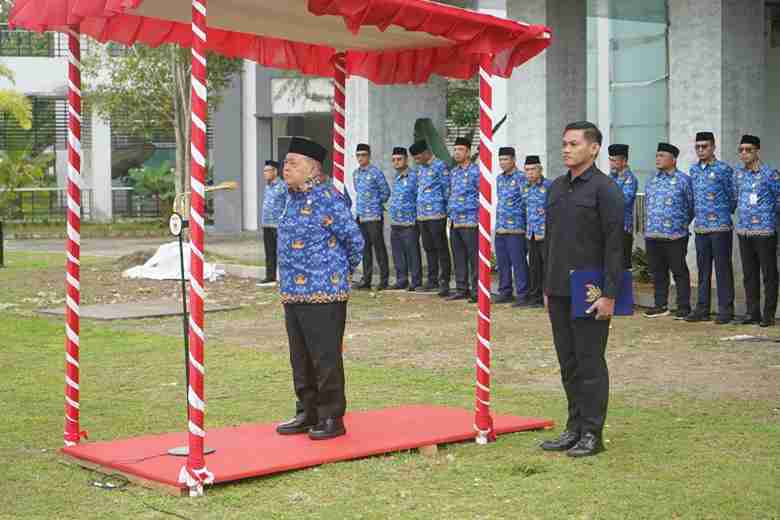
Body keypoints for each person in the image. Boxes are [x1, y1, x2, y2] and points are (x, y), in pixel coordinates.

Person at [540, 120, 624, 458]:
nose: (566, 149)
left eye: (574, 144)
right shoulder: (557, 188)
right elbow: (550, 241)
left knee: (590, 363)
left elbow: (616, 245)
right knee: (569, 363)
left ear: (594, 148)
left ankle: (592, 433)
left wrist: (610, 294)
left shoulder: (605, 189)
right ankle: (573, 427)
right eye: (564, 143)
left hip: (590, 288)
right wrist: (546, 287)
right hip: (559, 286)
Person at [275, 137, 364, 440]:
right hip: (292, 291)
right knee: (300, 356)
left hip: (325, 291)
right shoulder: (289, 198)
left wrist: (338, 272)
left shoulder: (329, 198)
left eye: (293, 163)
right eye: (285, 162)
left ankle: (331, 417)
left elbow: (355, 241)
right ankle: (307, 411)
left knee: (324, 357)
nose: (286, 168)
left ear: (312, 168)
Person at [686, 132, 737, 324]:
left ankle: (726, 310)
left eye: (704, 146)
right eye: (697, 147)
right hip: (701, 228)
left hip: (720, 227)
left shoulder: (724, 169)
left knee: (723, 270)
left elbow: (732, 196)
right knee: (703, 270)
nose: (701, 150)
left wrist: (722, 212)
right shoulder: (694, 170)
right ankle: (702, 308)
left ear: (713, 147)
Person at [642, 143, 694, 319]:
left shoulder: (683, 180)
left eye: (662, 155)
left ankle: (683, 307)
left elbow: (691, 206)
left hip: (675, 235)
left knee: (679, 271)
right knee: (658, 272)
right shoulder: (652, 180)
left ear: (673, 159)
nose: (658, 159)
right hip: (653, 234)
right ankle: (660, 305)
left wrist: (680, 224)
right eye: (657, 155)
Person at [734, 135, 780, 327]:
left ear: (757, 151)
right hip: (745, 231)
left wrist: (770, 220)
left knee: (769, 274)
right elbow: (735, 198)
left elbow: (778, 199)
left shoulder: (770, 174)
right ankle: (752, 312)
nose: (744, 153)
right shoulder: (738, 175)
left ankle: (768, 314)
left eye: (748, 150)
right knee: (749, 274)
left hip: (765, 231)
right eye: (741, 150)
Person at [410, 139, 452, 296]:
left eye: (418, 157)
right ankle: (432, 280)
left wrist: (447, 210)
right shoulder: (420, 169)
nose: (417, 161)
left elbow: (447, 189)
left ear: (427, 153)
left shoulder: (440, 166)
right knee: (428, 248)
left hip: (437, 214)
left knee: (441, 248)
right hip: (422, 216)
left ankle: (444, 282)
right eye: (415, 158)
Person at [352, 143, 391, 291]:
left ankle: (384, 280)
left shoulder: (376, 173)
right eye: (358, 155)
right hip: (361, 216)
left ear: (369, 156)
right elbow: (358, 191)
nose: (360, 158)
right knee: (365, 249)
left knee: (379, 247)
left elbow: (386, 192)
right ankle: (366, 280)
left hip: (374, 216)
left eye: (363, 155)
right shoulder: (356, 174)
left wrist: (374, 203)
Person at [494, 146, 529, 306]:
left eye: (506, 159)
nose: (502, 162)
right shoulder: (499, 179)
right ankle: (505, 292)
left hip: (516, 227)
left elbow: (526, 200)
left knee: (518, 263)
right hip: (500, 227)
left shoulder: (522, 177)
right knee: (502, 263)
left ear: (513, 160)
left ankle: (523, 294)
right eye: (500, 159)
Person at [447, 137, 480, 303]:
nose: (456, 153)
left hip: (470, 220)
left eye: (460, 150)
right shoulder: (453, 172)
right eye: (455, 150)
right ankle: (461, 289)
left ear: (468, 152)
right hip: (455, 221)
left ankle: (477, 291)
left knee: (474, 258)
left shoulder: (476, 171)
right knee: (458, 256)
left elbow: (483, 194)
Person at [387, 147, 423, 291]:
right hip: (396, 222)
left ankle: (416, 281)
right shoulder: (396, 177)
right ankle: (401, 280)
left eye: (399, 159)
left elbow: (418, 197)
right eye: (393, 160)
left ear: (406, 160)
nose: (396, 162)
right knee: (398, 253)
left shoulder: (414, 177)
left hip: (409, 222)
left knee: (412, 253)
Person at [523, 155, 551, 308]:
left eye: (533, 169)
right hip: (531, 233)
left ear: (540, 169)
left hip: (546, 233)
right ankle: (535, 298)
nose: (530, 173)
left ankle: (549, 296)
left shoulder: (549, 186)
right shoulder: (525, 187)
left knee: (547, 266)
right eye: (527, 170)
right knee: (534, 267)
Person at [607, 144, 638, 269]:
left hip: (622, 229)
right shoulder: (609, 177)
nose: (611, 164)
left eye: (614, 160)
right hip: (608, 228)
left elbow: (622, 201)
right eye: (610, 160)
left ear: (624, 161)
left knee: (622, 267)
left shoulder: (630, 179)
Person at [259, 160, 286, 285]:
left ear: (275, 172)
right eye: (264, 171)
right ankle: (270, 276)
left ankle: (285, 278)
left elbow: (288, 204)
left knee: (282, 252)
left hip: (278, 225)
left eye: (267, 171)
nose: (265, 173)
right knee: (269, 252)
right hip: (266, 224)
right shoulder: (267, 186)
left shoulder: (283, 186)